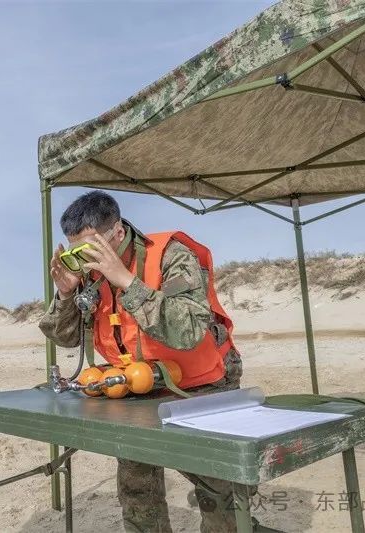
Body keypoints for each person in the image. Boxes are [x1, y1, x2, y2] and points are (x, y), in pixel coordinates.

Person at [39, 191, 253, 533]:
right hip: (140, 383)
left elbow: (188, 330)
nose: (84, 261)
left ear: (117, 233)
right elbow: (64, 338)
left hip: (205, 382)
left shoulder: (170, 254)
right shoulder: (91, 277)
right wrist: (66, 293)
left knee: (215, 480)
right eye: (75, 254)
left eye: (89, 250)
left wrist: (126, 281)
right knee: (136, 482)